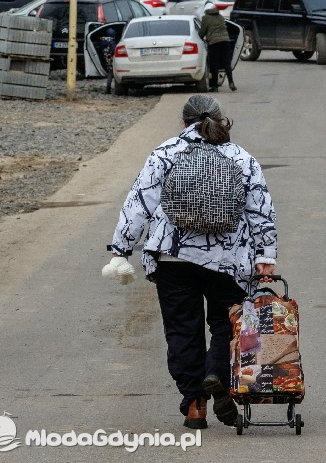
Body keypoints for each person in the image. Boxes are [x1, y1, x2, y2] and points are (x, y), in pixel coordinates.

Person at [106, 95, 277, 429]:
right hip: (228, 261)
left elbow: (140, 200)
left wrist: (121, 248)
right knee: (228, 323)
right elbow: (261, 208)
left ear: (184, 122)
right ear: (219, 119)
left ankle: (195, 405)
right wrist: (265, 255)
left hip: (174, 259)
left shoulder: (166, 152)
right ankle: (216, 373)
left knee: (182, 330)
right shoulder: (240, 157)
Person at [199, 5, 237, 91]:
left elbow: (202, 31)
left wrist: (200, 37)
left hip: (214, 42)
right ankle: (231, 82)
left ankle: (215, 86)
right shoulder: (220, 17)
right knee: (227, 63)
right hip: (226, 41)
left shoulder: (205, 18)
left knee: (214, 64)